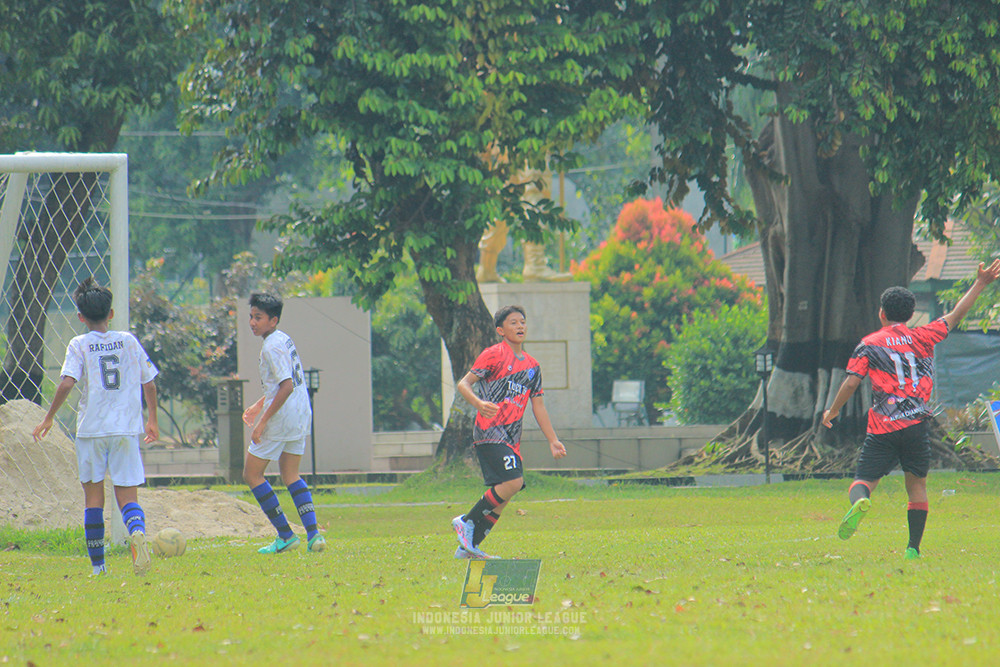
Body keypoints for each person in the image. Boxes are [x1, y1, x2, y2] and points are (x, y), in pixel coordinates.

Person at [822, 259, 1000, 560]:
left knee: (863, 480)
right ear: (910, 313)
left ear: (882, 313)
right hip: (917, 425)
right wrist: (980, 283)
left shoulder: (870, 344)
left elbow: (851, 382)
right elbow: (956, 315)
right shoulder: (924, 335)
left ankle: (861, 501)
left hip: (883, 427)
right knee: (917, 486)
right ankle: (913, 549)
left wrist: (833, 411)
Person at [32, 277, 159, 576]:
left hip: (91, 430)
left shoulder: (79, 344)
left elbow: (67, 383)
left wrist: (49, 416)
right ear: (111, 314)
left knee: (93, 499)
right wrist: (151, 419)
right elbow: (149, 382)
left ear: (80, 317)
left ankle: (99, 568)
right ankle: (137, 531)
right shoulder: (128, 341)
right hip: (125, 429)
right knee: (127, 496)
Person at [451, 305, 567, 559]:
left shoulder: (533, 367)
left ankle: (468, 548)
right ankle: (466, 521)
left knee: (505, 495)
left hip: (511, 438)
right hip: (489, 431)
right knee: (513, 483)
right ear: (501, 330)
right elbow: (464, 384)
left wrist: (553, 440)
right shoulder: (493, 354)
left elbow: (538, 406)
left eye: (522, 322)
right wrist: (479, 403)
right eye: (513, 322)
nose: (520, 326)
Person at [242, 292, 325, 554]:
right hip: (300, 414)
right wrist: (259, 405)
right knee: (290, 474)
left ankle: (286, 535)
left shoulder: (270, 346)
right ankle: (314, 536)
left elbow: (286, 386)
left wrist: (262, 422)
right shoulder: (283, 338)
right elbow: (282, 383)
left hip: (281, 418)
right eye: (251, 316)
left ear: (273, 320)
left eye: (258, 317)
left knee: (252, 474)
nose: (252, 322)